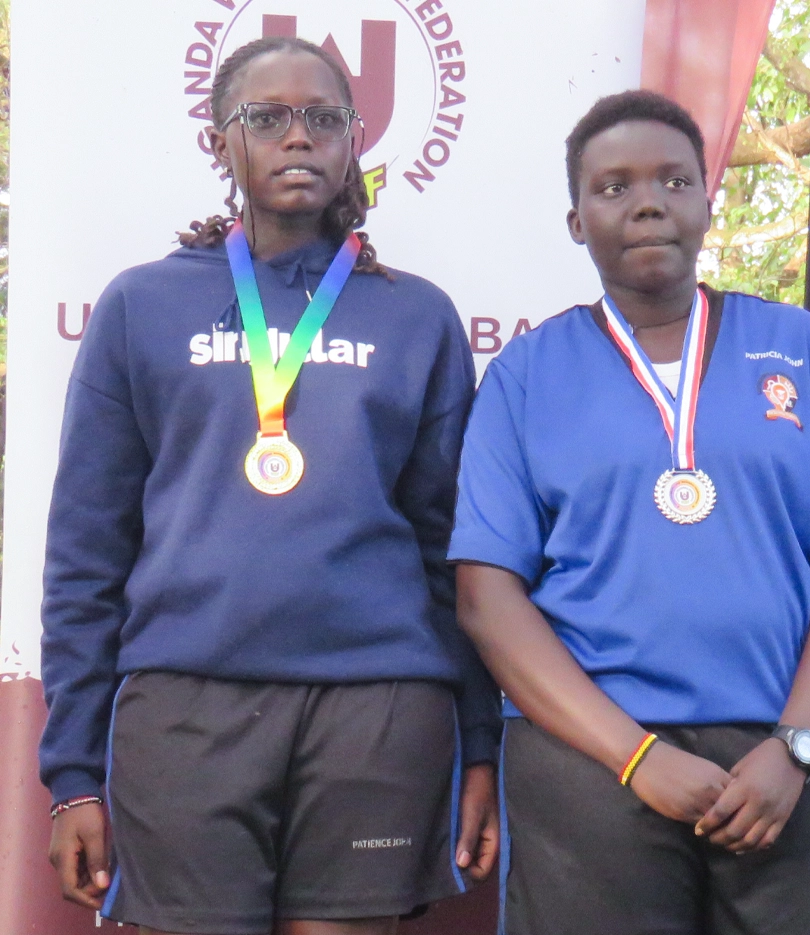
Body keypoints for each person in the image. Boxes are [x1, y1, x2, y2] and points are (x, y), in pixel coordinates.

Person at [40, 36, 500, 935]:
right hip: (184, 707)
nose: (299, 137)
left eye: (324, 118)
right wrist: (73, 777)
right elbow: (86, 553)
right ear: (221, 141)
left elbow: (457, 553)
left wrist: (478, 741)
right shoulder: (141, 306)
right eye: (269, 118)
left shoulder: (417, 316)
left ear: (355, 139)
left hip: (378, 708)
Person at [448, 90, 810, 935]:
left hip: (788, 758)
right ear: (576, 221)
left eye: (673, 180)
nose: (648, 202)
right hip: (593, 761)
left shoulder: (804, 351)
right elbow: (487, 598)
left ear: (708, 199)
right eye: (613, 187)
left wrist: (798, 746)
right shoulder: (524, 375)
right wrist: (635, 756)